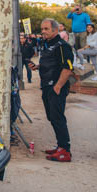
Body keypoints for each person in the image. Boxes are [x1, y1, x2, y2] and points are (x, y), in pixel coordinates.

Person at [29, 18, 74, 162]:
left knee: (58, 118)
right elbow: (51, 64)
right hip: (46, 86)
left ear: (55, 30)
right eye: (42, 29)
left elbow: (67, 68)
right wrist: (37, 67)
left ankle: (65, 151)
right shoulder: (47, 44)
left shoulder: (62, 46)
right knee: (52, 117)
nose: (43, 31)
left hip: (56, 87)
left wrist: (58, 86)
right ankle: (60, 146)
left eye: (46, 29)